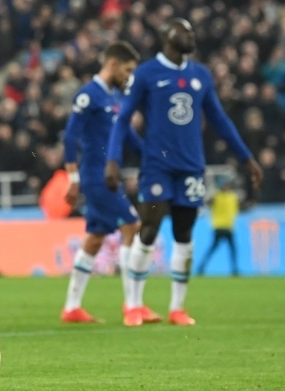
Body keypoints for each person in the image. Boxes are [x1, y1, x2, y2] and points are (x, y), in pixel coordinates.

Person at [105, 18, 263, 326]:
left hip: (191, 167)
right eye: (184, 31)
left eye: (191, 31)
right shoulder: (147, 73)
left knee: (184, 234)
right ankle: (133, 304)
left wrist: (247, 158)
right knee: (148, 230)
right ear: (167, 36)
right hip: (157, 166)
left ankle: (177, 308)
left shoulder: (200, 74)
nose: (190, 36)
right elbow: (123, 119)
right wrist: (112, 159)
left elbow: (220, 120)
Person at [60, 42, 162, 326]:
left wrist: (154, 159)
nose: (129, 77)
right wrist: (73, 178)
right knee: (132, 227)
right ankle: (133, 305)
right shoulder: (89, 95)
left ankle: (71, 308)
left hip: (108, 178)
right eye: (127, 70)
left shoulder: (116, 97)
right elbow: (70, 137)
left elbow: (128, 136)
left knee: (95, 239)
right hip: (96, 177)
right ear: (113, 64)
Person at [197, 176, 240, 276]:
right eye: (225, 184)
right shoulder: (217, 196)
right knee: (215, 249)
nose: (227, 186)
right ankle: (201, 267)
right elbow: (207, 202)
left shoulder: (232, 196)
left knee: (232, 249)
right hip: (219, 226)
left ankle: (235, 269)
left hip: (229, 227)